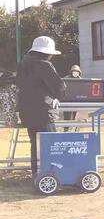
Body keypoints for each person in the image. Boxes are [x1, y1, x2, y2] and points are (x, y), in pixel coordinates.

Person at [15, 36, 66, 177]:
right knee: (50, 144)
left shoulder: (22, 65)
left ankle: (36, 173)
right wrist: (58, 96)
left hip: (26, 111)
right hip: (43, 111)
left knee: (35, 144)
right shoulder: (44, 65)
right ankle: (51, 174)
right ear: (46, 53)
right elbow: (59, 86)